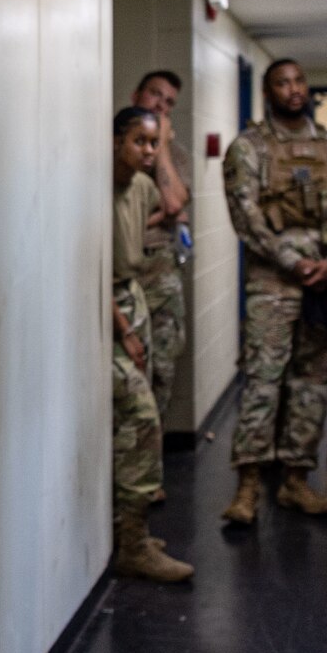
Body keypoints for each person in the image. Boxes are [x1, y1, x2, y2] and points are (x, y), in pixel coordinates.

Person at [220, 59, 327, 522]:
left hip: (324, 283)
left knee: (313, 384)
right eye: (282, 82)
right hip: (273, 284)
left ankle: (297, 479)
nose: (293, 89)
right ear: (267, 90)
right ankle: (248, 487)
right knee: (263, 382)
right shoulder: (249, 148)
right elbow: (247, 217)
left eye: (300, 80)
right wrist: (293, 262)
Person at [112, 107, 196, 582]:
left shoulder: (141, 187)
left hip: (135, 298)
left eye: (152, 142)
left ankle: (128, 533)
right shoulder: (97, 190)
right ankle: (134, 544)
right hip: (112, 309)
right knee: (142, 419)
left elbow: (175, 200)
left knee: (135, 420)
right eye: (138, 142)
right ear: (115, 141)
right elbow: (94, 266)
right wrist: (124, 328)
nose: (147, 151)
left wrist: (161, 146)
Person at [132, 71, 193, 454]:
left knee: (163, 369)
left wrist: (164, 147)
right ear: (137, 94)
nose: (160, 105)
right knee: (127, 374)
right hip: (122, 271)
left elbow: (173, 205)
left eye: (169, 102)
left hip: (161, 271)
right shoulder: (112, 147)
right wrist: (155, 217)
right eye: (155, 95)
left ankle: (150, 467)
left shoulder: (176, 156)